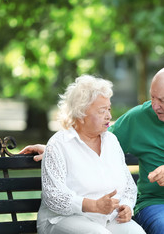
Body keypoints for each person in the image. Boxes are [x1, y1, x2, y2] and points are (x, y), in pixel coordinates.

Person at [20, 65, 164, 234]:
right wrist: (53, 148)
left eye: (163, 101)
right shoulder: (139, 118)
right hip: (158, 204)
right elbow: (89, 134)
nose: (154, 106)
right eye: (152, 97)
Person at [28, 75, 145, 234]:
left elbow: (129, 187)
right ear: (81, 113)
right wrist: (93, 205)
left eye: (109, 109)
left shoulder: (111, 141)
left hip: (107, 219)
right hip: (63, 220)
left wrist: (126, 206)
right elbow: (54, 197)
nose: (109, 116)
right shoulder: (59, 144)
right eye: (102, 111)